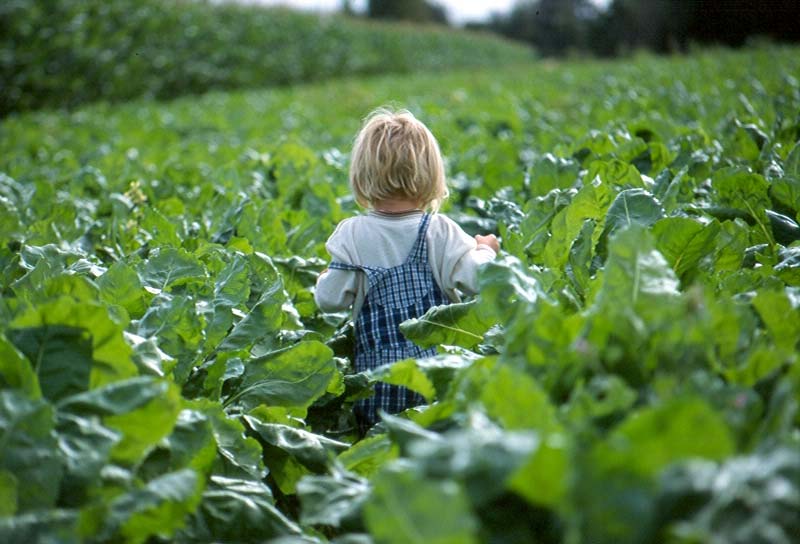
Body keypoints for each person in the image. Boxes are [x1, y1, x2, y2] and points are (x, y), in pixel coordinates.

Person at [315, 108, 499, 432]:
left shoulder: (351, 234)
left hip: (377, 385)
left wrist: (324, 279)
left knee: (380, 452)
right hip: (438, 377)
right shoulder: (439, 230)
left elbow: (329, 300)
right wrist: (484, 249)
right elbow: (478, 279)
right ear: (430, 174)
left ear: (361, 175)